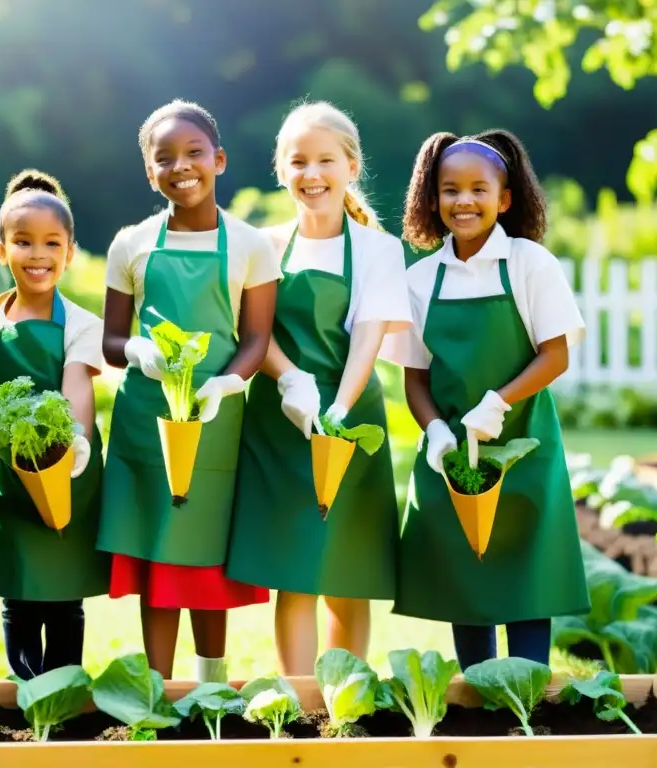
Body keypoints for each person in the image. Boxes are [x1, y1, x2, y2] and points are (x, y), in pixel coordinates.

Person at [383, 129, 591, 668]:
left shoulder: (529, 264)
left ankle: (526, 692)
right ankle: (477, 694)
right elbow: (416, 379)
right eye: (450, 190)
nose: (464, 201)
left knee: (527, 574)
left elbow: (555, 355)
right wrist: (434, 430)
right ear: (433, 200)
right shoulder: (418, 279)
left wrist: (497, 403)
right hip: (455, 455)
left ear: (504, 199)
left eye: (479, 190)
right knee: (465, 574)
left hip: (525, 444)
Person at [225, 102, 413, 675]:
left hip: (352, 418)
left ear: (351, 166)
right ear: (280, 171)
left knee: (347, 570)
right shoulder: (262, 244)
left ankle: (348, 698)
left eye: (325, 160)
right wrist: (292, 379)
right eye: (297, 161)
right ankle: (302, 699)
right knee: (296, 570)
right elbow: (252, 330)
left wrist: (338, 407)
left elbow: (369, 338)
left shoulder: (378, 248)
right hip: (279, 420)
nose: (312, 173)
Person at [98, 99, 280, 681]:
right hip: (146, 416)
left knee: (204, 552)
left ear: (219, 159)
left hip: (217, 415)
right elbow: (110, 340)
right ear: (149, 172)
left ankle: (210, 684)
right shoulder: (131, 244)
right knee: (158, 549)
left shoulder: (252, 245)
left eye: (194, 153)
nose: (182, 166)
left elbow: (256, 337)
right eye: (165, 157)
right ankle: (155, 687)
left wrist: (229, 382)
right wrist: (138, 353)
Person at [0, 169, 111, 679]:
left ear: (69, 252)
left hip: (70, 473)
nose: (38, 254)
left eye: (52, 243)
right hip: (12, 475)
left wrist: (76, 438)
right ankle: (27, 685)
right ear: (2, 250)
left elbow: (77, 382)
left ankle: (64, 686)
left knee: (63, 593)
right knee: (19, 588)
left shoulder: (81, 324)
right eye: (23, 242)